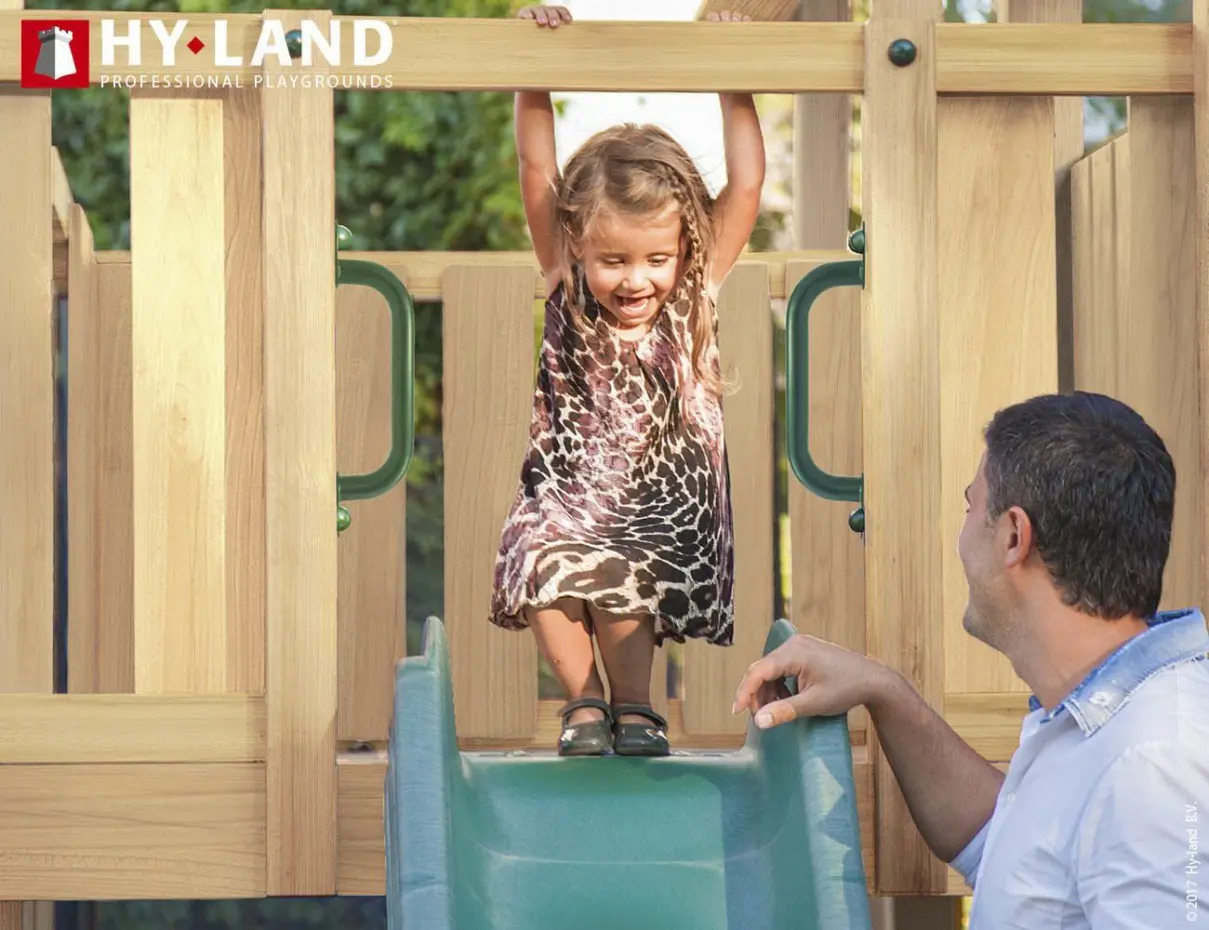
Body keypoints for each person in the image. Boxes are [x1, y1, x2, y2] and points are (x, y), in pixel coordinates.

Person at [733, 391, 1209, 927]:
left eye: (969, 508)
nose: (961, 538)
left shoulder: (1152, 766)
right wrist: (882, 689)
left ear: (1013, 536)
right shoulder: (1104, 722)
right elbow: (1012, 859)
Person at [489, 5, 766, 758]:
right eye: (613, 260)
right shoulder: (565, 280)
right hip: (569, 483)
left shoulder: (695, 288)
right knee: (539, 555)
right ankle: (584, 704)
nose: (635, 278)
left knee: (619, 574)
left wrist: (733, 73)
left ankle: (637, 708)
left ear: (684, 250)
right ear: (577, 246)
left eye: (654, 259)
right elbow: (536, 170)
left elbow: (745, 184)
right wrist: (532, 68)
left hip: (662, 498)